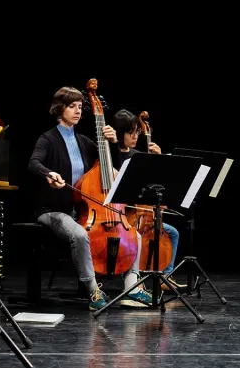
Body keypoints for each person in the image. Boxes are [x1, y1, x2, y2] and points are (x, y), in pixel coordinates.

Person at [27, 86, 153, 311]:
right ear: (59, 108)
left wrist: (113, 143)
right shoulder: (48, 139)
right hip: (53, 209)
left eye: (79, 107)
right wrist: (49, 173)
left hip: (81, 210)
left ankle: (132, 288)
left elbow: (111, 164)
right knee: (80, 234)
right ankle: (93, 289)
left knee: (133, 234)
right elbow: (33, 163)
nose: (77, 111)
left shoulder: (84, 141)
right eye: (71, 106)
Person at [112, 109, 184, 289]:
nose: (135, 136)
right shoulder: (112, 154)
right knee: (134, 235)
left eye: (137, 132)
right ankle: (132, 279)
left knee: (172, 233)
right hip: (122, 213)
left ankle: (165, 276)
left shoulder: (137, 156)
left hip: (142, 213)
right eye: (131, 133)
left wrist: (159, 160)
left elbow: (155, 183)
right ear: (120, 133)